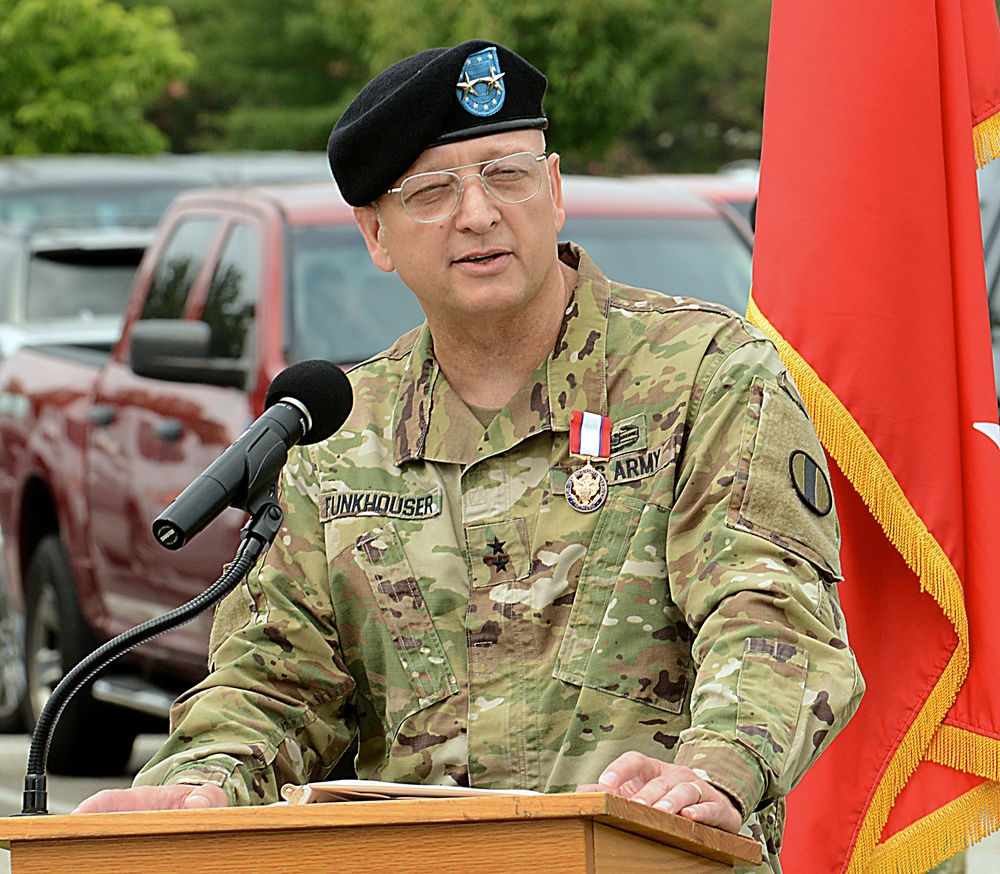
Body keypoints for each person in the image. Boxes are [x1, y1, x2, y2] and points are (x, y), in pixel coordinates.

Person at [75, 39, 864, 872]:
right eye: (433, 191)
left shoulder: (707, 376)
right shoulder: (337, 436)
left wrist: (716, 771)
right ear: (376, 235)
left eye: (507, 175)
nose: (479, 214)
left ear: (555, 192)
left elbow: (771, 616)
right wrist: (206, 779)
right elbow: (274, 685)